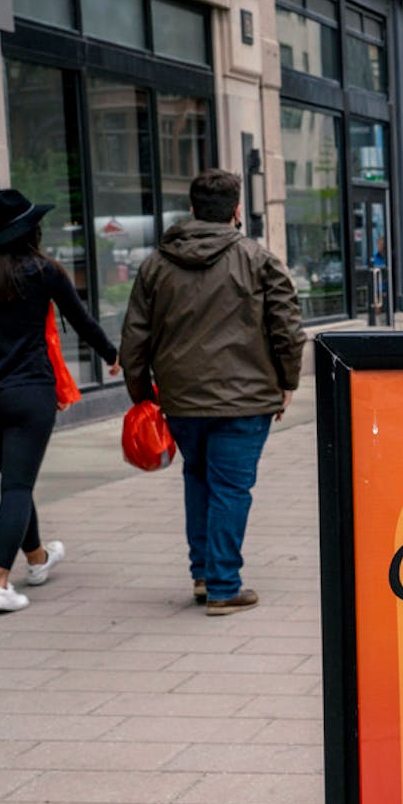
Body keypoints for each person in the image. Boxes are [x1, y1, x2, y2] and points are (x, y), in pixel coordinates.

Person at [121, 169, 305, 616]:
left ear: (192, 210)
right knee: (231, 487)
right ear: (237, 212)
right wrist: (288, 382)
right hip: (246, 397)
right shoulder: (259, 260)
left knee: (198, 477)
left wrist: (142, 393)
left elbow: (134, 338)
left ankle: (203, 574)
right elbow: (287, 330)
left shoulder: (156, 264)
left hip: (181, 399)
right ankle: (224, 585)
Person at [0, 189, 121, 613]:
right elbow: (83, 322)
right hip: (28, 394)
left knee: (15, 483)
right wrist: (114, 357)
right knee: (18, 486)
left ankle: (38, 559)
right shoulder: (44, 271)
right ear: (28, 229)